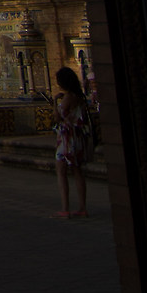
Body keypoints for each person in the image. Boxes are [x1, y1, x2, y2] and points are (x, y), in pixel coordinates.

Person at [53, 64, 91, 218]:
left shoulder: (67, 98)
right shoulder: (79, 97)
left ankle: (65, 208)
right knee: (77, 172)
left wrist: (54, 103)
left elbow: (57, 117)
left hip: (66, 138)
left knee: (61, 172)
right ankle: (82, 207)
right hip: (78, 137)